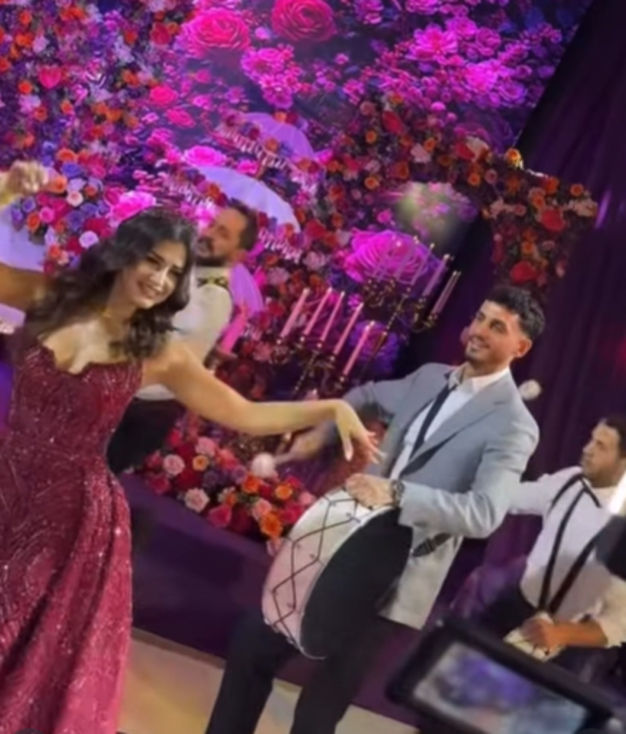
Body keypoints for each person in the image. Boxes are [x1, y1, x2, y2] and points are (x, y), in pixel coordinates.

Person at [0, 160, 377, 734]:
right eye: (153, 262)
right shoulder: (51, 297)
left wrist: (331, 408)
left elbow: (242, 413)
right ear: (124, 253)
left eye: (173, 272)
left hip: (67, 515)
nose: (160, 279)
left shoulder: (161, 353)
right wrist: (6, 192)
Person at [206, 284, 546, 734]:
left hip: (397, 580)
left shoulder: (514, 425)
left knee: (317, 713)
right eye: (480, 317)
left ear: (520, 348)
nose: (480, 330)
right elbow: (364, 396)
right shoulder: (430, 377)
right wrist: (325, 433)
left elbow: (483, 513)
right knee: (254, 643)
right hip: (347, 548)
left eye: (497, 326)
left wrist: (397, 493)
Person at [107, 201, 259, 475]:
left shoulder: (214, 297)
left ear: (238, 255)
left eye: (223, 233)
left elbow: (164, 362)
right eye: (212, 225)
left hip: (134, 409)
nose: (208, 234)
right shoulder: (183, 270)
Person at [471, 415, 626, 664]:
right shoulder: (571, 480)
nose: (587, 449)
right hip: (516, 609)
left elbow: (618, 623)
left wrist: (561, 633)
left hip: (569, 641)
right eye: (591, 439)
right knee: (452, 668)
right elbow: (512, 497)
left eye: (601, 446)